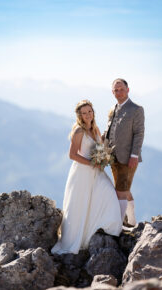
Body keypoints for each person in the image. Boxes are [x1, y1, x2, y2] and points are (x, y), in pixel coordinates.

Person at [51, 100, 122, 255]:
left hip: (96, 171)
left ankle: (105, 227)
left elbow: (100, 146)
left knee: (108, 193)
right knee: (81, 204)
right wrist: (91, 162)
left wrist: (104, 155)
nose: (88, 114)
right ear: (79, 115)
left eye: (90, 111)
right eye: (84, 113)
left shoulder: (94, 128)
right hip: (82, 173)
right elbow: (72, 154)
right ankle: (77, 238)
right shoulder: (78, 131)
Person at [103, 79, 145, 226]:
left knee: (120, 190)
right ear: (112, 92)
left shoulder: (136, 109)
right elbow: (109, 131)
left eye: (121, 89)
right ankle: (132, 220)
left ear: (128, 90)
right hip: (113, 157)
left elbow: (139, 133)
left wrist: (134, 155)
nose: (119, 92)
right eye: (116, 90)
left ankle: (118, 224)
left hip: (128, 157)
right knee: (123, 188)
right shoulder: (113, 109)